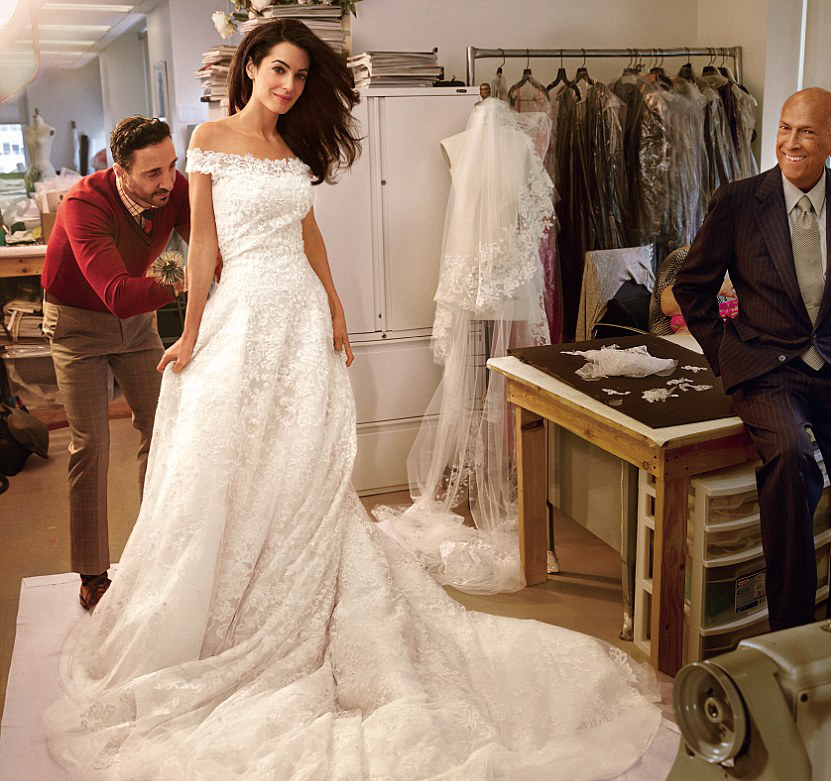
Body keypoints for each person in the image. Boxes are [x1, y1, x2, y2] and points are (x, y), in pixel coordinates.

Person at [44, 20, 661, 779]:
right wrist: (193, 330)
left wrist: (335, 307)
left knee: (305, 466)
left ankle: (306, 583)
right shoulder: (207, 139)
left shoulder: (292, 147)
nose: (288, 86)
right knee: (231, 460)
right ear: (250, 67)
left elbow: (310, 236)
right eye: (279, 70)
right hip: (243, 317)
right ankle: (230, 605)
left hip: (300, 318)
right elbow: (203, 246)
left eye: (300, 76)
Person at [674, 87, 831, 630]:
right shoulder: (738, 201)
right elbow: (692, 287)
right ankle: (791, 630)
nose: (791, 142)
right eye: (785, 128)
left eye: (807, 131)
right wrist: (726, 356)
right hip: (767, 368)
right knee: (791, 464)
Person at [41, 116, 188, 610]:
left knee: (162, 429)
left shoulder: (174, 188)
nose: (167, 181)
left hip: (137, 324)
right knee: (91, 445)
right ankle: (92, 573)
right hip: (77, 324)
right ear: (120, 170)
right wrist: (185, 280)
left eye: (172, 165)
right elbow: (118, 294)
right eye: (153, 173)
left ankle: (156, 552)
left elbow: (210, 241)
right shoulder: (84, 204)